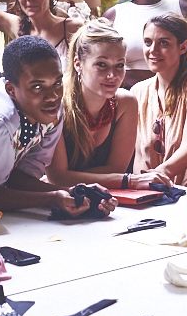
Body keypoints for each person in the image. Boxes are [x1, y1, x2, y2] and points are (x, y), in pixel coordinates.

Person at [0, 35, 117, 215]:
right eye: (37, 87)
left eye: (57, 83)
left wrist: (75, 192)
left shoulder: (51, 112)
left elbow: (18, 177)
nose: (53, 96)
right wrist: (51, 198)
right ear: (11, 90)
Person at [47, 22, 165, 190]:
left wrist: (72, 177)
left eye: (119, 65)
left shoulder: (126, 103)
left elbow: (116, 169)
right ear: (78, 64)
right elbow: (58, 177)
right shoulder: (55, 103)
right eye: (101, 64)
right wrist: (128, 181)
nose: (112, 75)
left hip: (105, 200)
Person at [130, 14, 187, 188]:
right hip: (147, 194)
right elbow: (138, 156)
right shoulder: (138, 92)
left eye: (164, 43)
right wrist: (139, 186)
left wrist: (160, 175)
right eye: (148, 42)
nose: (153, 50)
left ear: (183, 47)